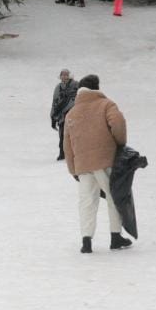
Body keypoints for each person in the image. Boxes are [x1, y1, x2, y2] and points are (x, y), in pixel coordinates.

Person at [62, 75, 131, 254]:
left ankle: (86, 240)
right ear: (97, 87)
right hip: (105, 160)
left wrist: (73, 169)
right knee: (113, 197)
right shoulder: (106, 104)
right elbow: (118, 124)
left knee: (86, 202)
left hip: (83, 165)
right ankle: (116, 236)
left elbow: (67, 145)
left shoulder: (72, 112)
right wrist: (119, 144)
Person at [50, 69, 78, 161]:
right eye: (63, 75)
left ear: (70, 76)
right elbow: (55, 102)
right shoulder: (58, 87)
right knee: (62, 136)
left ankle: (76, 154)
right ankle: (62, 154)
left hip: (74, 115)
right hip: (62, 117)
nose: (64, 77)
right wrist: (53, 118)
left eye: (66, 75)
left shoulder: (76, 85)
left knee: (74, 135)